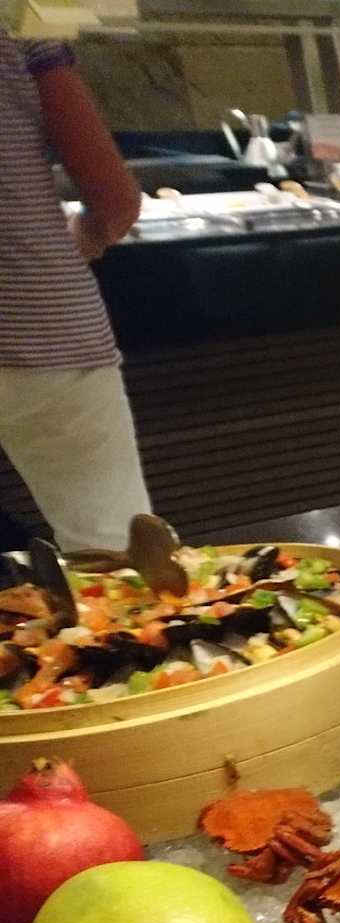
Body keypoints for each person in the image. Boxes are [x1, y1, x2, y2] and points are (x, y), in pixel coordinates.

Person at [0, 29, 150, 552]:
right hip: (39, 317)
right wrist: (84, 237)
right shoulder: (23, 23)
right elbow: (114, 201)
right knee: (112, 546)